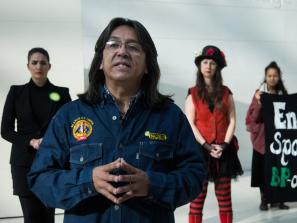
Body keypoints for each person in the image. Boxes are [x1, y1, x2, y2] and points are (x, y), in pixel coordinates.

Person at [27, 18, 206, 223]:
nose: (122, 51)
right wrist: (87, 181)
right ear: (101, 62)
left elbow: (195, 175)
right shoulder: (69, 115)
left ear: (147, 64)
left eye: (133, 46)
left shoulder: (170, 117)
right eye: (113, 45)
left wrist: (152, 184)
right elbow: (39, 178)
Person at [1, 47, 71, 223]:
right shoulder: (16, 92)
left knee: (48, 215)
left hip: (52, 162)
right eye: (34, 62)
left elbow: (70, 128)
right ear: (28, 66)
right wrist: (30, 141)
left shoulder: (61, 94)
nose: (39, 66)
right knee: (31, 216)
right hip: (23, 164)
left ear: (49, 66)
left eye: (43, 62)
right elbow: (5, 130)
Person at [185, 45, 243, 223]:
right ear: (200, 66)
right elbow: (190, 124)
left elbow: (232, 120)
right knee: (197, 197)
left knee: (225, 198)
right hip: (200, 151)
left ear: (217, 67)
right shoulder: (192, 93)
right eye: (205, 62)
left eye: (212, 63)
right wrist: (206, 146)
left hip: (223, 150)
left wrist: (224, 145)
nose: (208, 66)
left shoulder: (226, 93)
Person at [245, 61, 289, 211]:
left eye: (275, 76)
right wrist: (259, 102)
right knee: (263, 172)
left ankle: (279, 199)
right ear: (265, 77)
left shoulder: (283, 94)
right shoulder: (259, 93)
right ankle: (264, 199)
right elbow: (254, 117)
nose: (272, 78)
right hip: (262, 141)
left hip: (279, 140)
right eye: (269, 76)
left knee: (279, 170)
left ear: (279, 77)